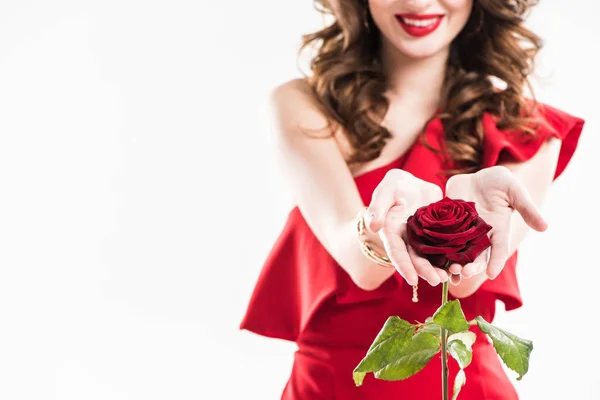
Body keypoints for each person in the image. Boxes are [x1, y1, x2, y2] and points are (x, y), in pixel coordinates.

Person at [240, 0, 585, 398]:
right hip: (331, 387)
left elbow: (465, 286)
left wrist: (475, 235)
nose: (418, 2)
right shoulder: (305, 105)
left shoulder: (526, 126)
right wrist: (381, 224)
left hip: (460, 388)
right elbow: (360, 264)